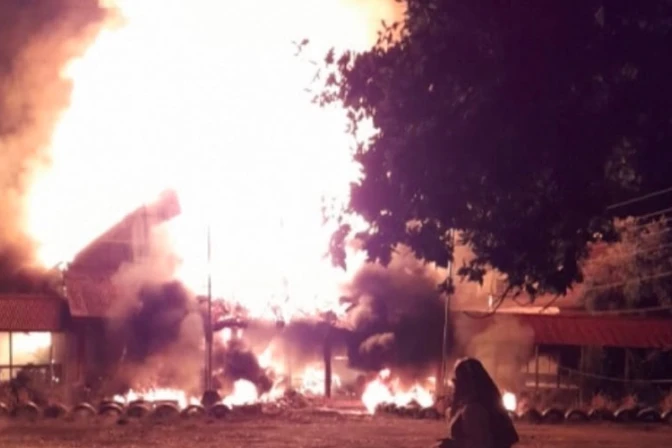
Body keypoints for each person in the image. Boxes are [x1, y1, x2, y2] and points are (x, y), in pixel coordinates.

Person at [435, 358, 519, 448]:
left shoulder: (473, 409)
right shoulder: (480, 405)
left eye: (455, 380)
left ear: (464, 382)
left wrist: (451, 445)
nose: (453, 386)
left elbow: (480, 444)